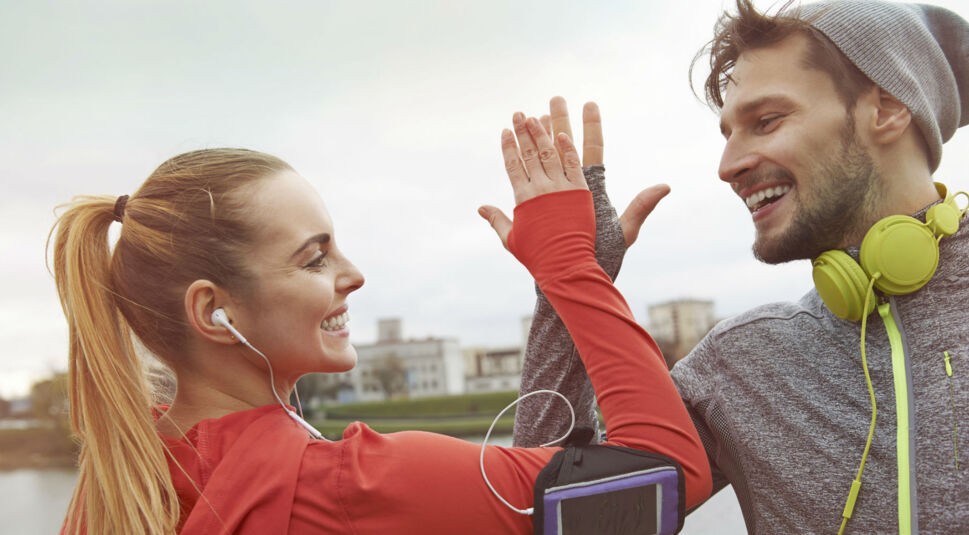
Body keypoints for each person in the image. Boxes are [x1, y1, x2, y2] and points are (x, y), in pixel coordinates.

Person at [51, 112, 711, 533]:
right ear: (213, 311)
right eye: (315, 257)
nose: (353, 272)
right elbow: (667, 475)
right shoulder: (348, 485)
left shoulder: (118, 491)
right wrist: (569, 268)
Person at [512, 1, 969, 533]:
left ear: (887, 109)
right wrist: (570, 275)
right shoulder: (740, 364)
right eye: (728, 133)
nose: (728, 166)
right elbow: (560, 514)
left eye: (766, 121)